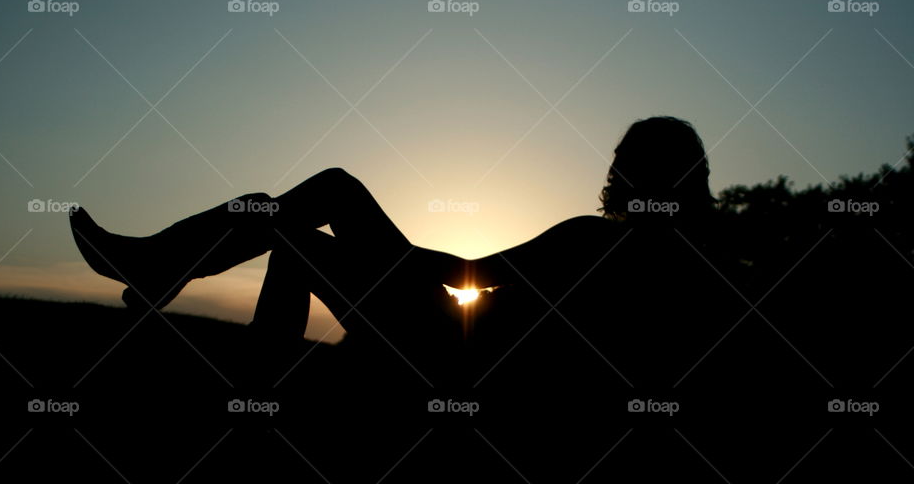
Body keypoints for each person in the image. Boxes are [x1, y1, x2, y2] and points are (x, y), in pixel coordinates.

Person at [70, 116, 727, 384]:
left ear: (633, 175)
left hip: (450, 351)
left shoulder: (600, 239)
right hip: (460, 344)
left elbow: (473, 274)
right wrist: (389, 260)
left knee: (308, 213)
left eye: (623, 163)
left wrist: (392, 261)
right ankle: (165, 276)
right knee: (311, 213)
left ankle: (165, 275)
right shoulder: (694, 267)